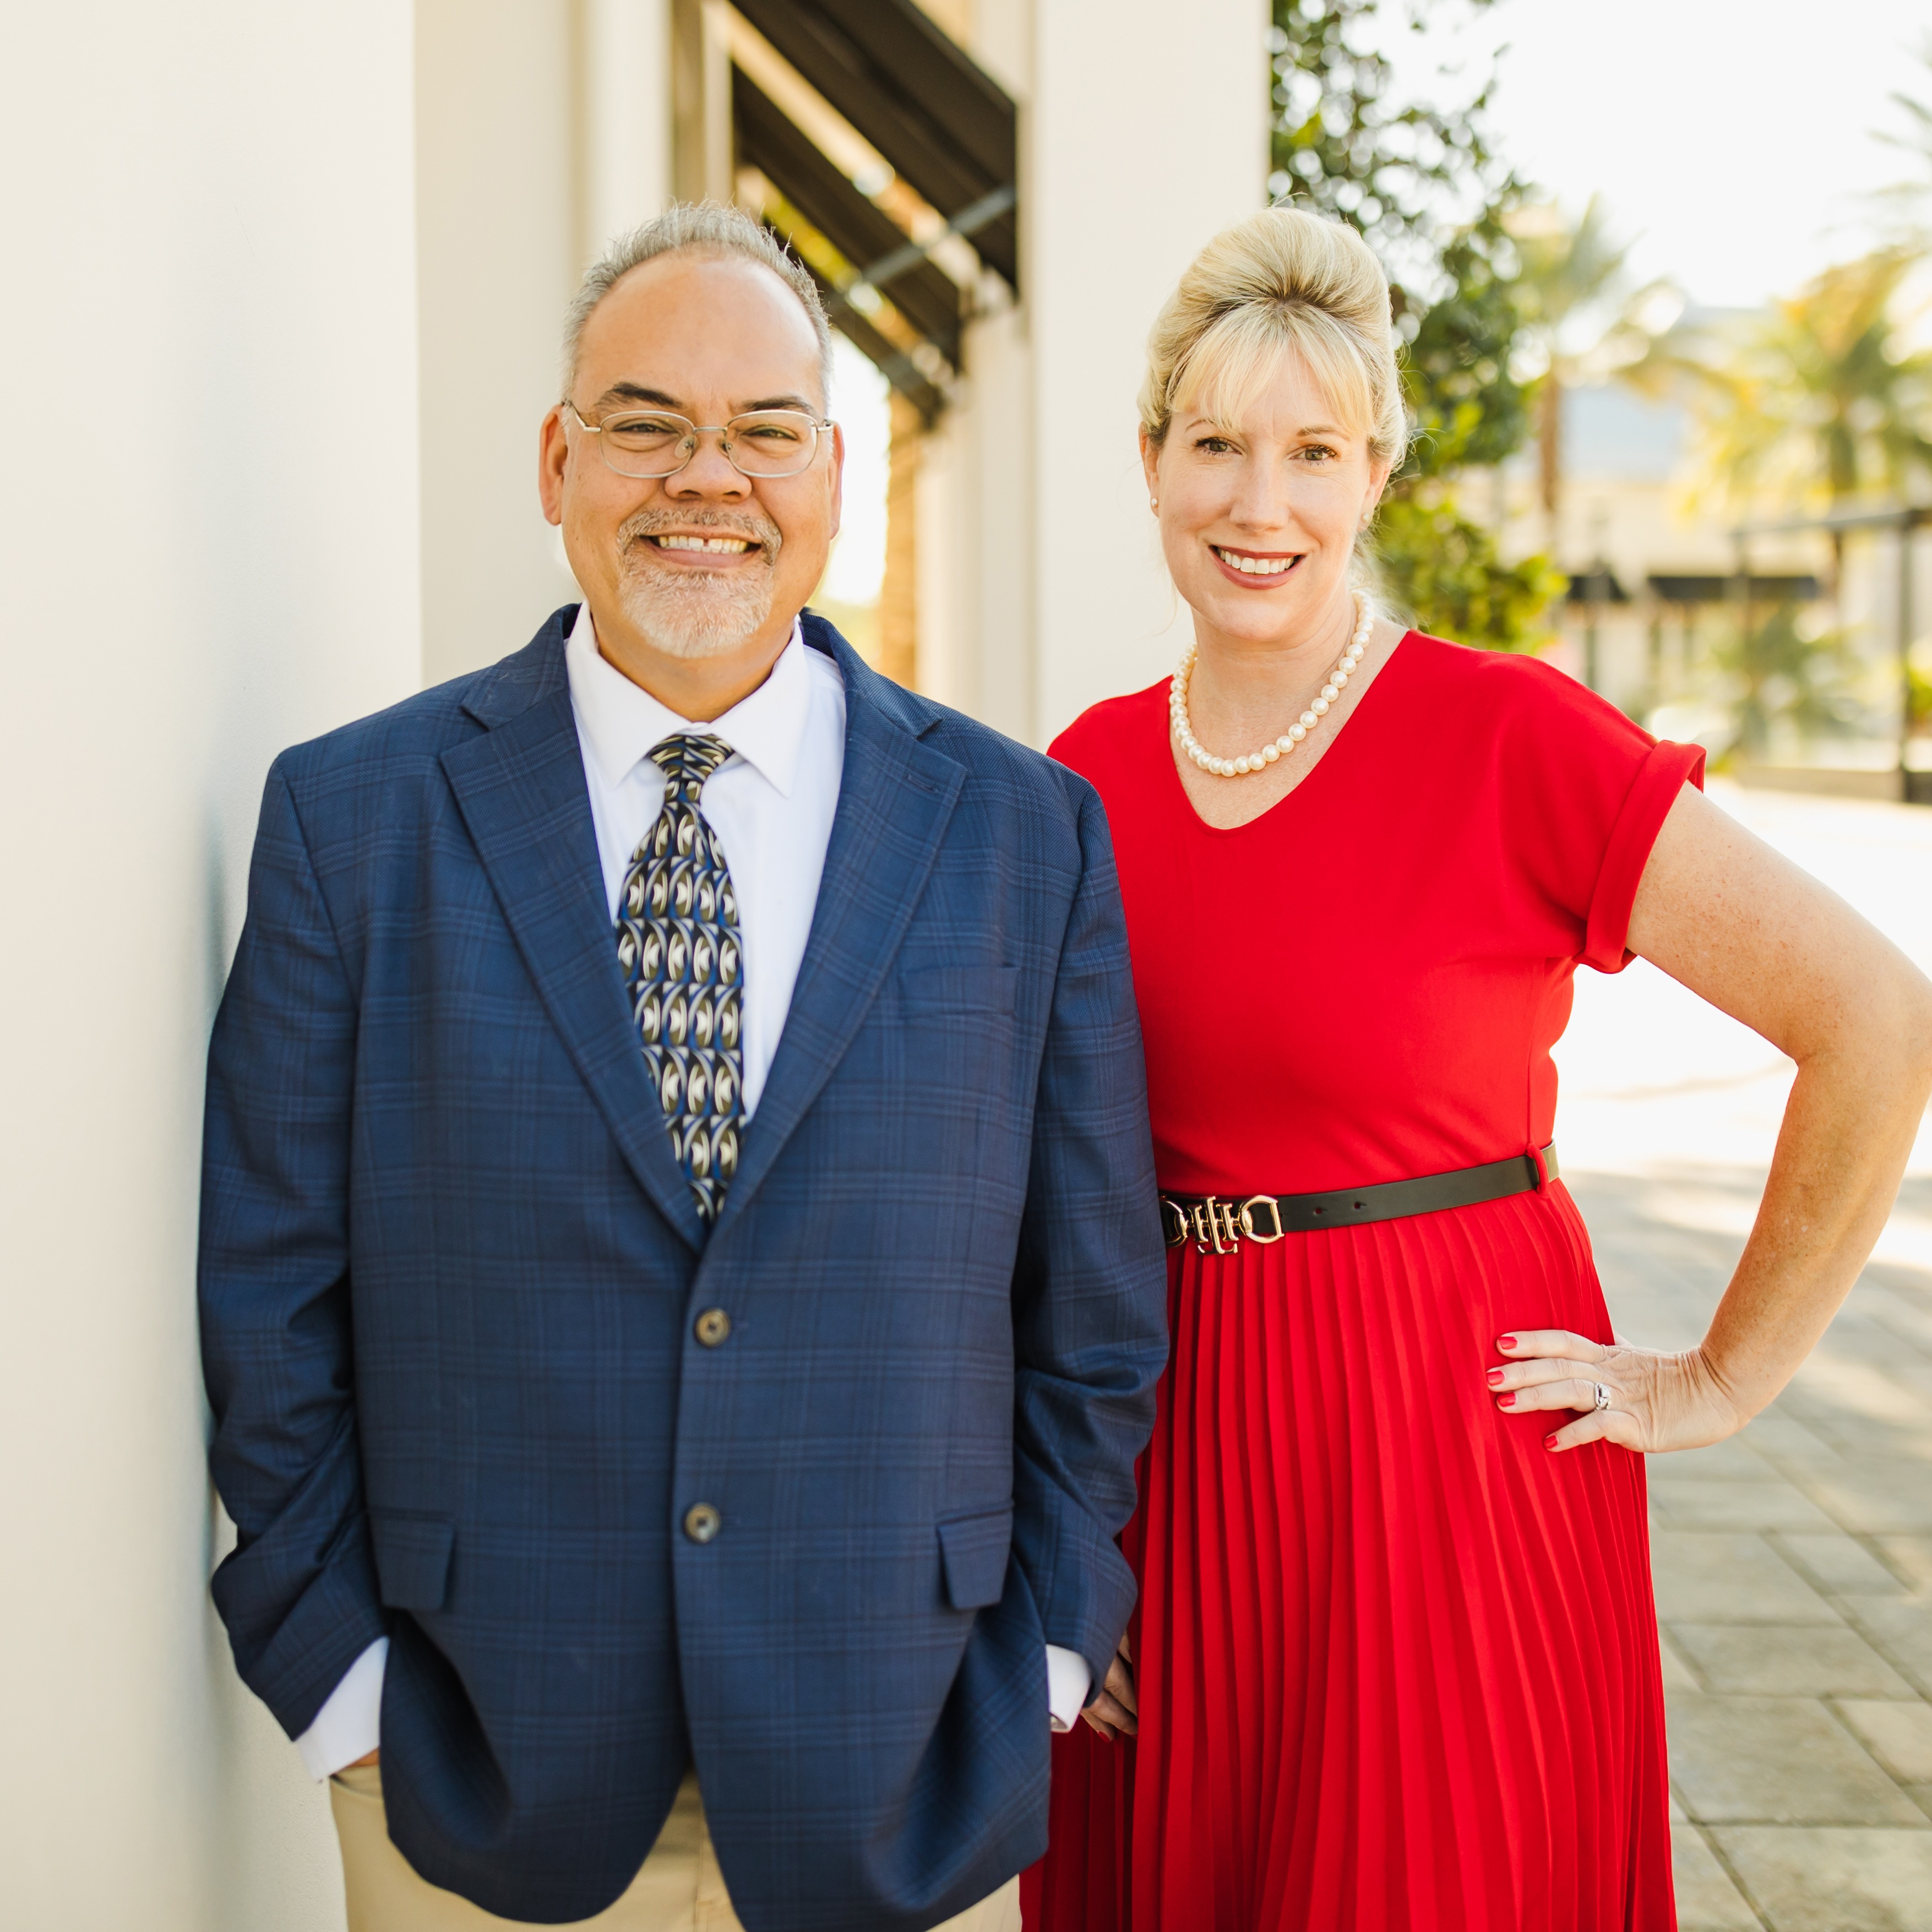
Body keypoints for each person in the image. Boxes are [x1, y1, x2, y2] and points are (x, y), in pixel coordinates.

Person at [198, 203, 1169, 1932]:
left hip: (906, 1768)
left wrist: (1038, 1653)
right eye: (646, 422)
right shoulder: (353, 823)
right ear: (559, 460)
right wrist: (343, 1688)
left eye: (765, 430)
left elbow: (1091, 1312)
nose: (704, 478)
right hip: (468, 1777)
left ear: (833, 475)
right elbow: (270, 1294)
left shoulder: (1028, 837)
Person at [1022, 205, 1932, 1932]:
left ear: (1377, 473)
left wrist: (1724, 1378)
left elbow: (1878, 1022)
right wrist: (1062, 1543)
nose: (1258, 502)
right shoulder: (1086, 780)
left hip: (1441, 1448)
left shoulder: (1511, 736)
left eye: (1312, 451)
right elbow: (1022, 1184)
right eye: (1215, 444)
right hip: (1169, 1449)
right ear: (1151, 462)